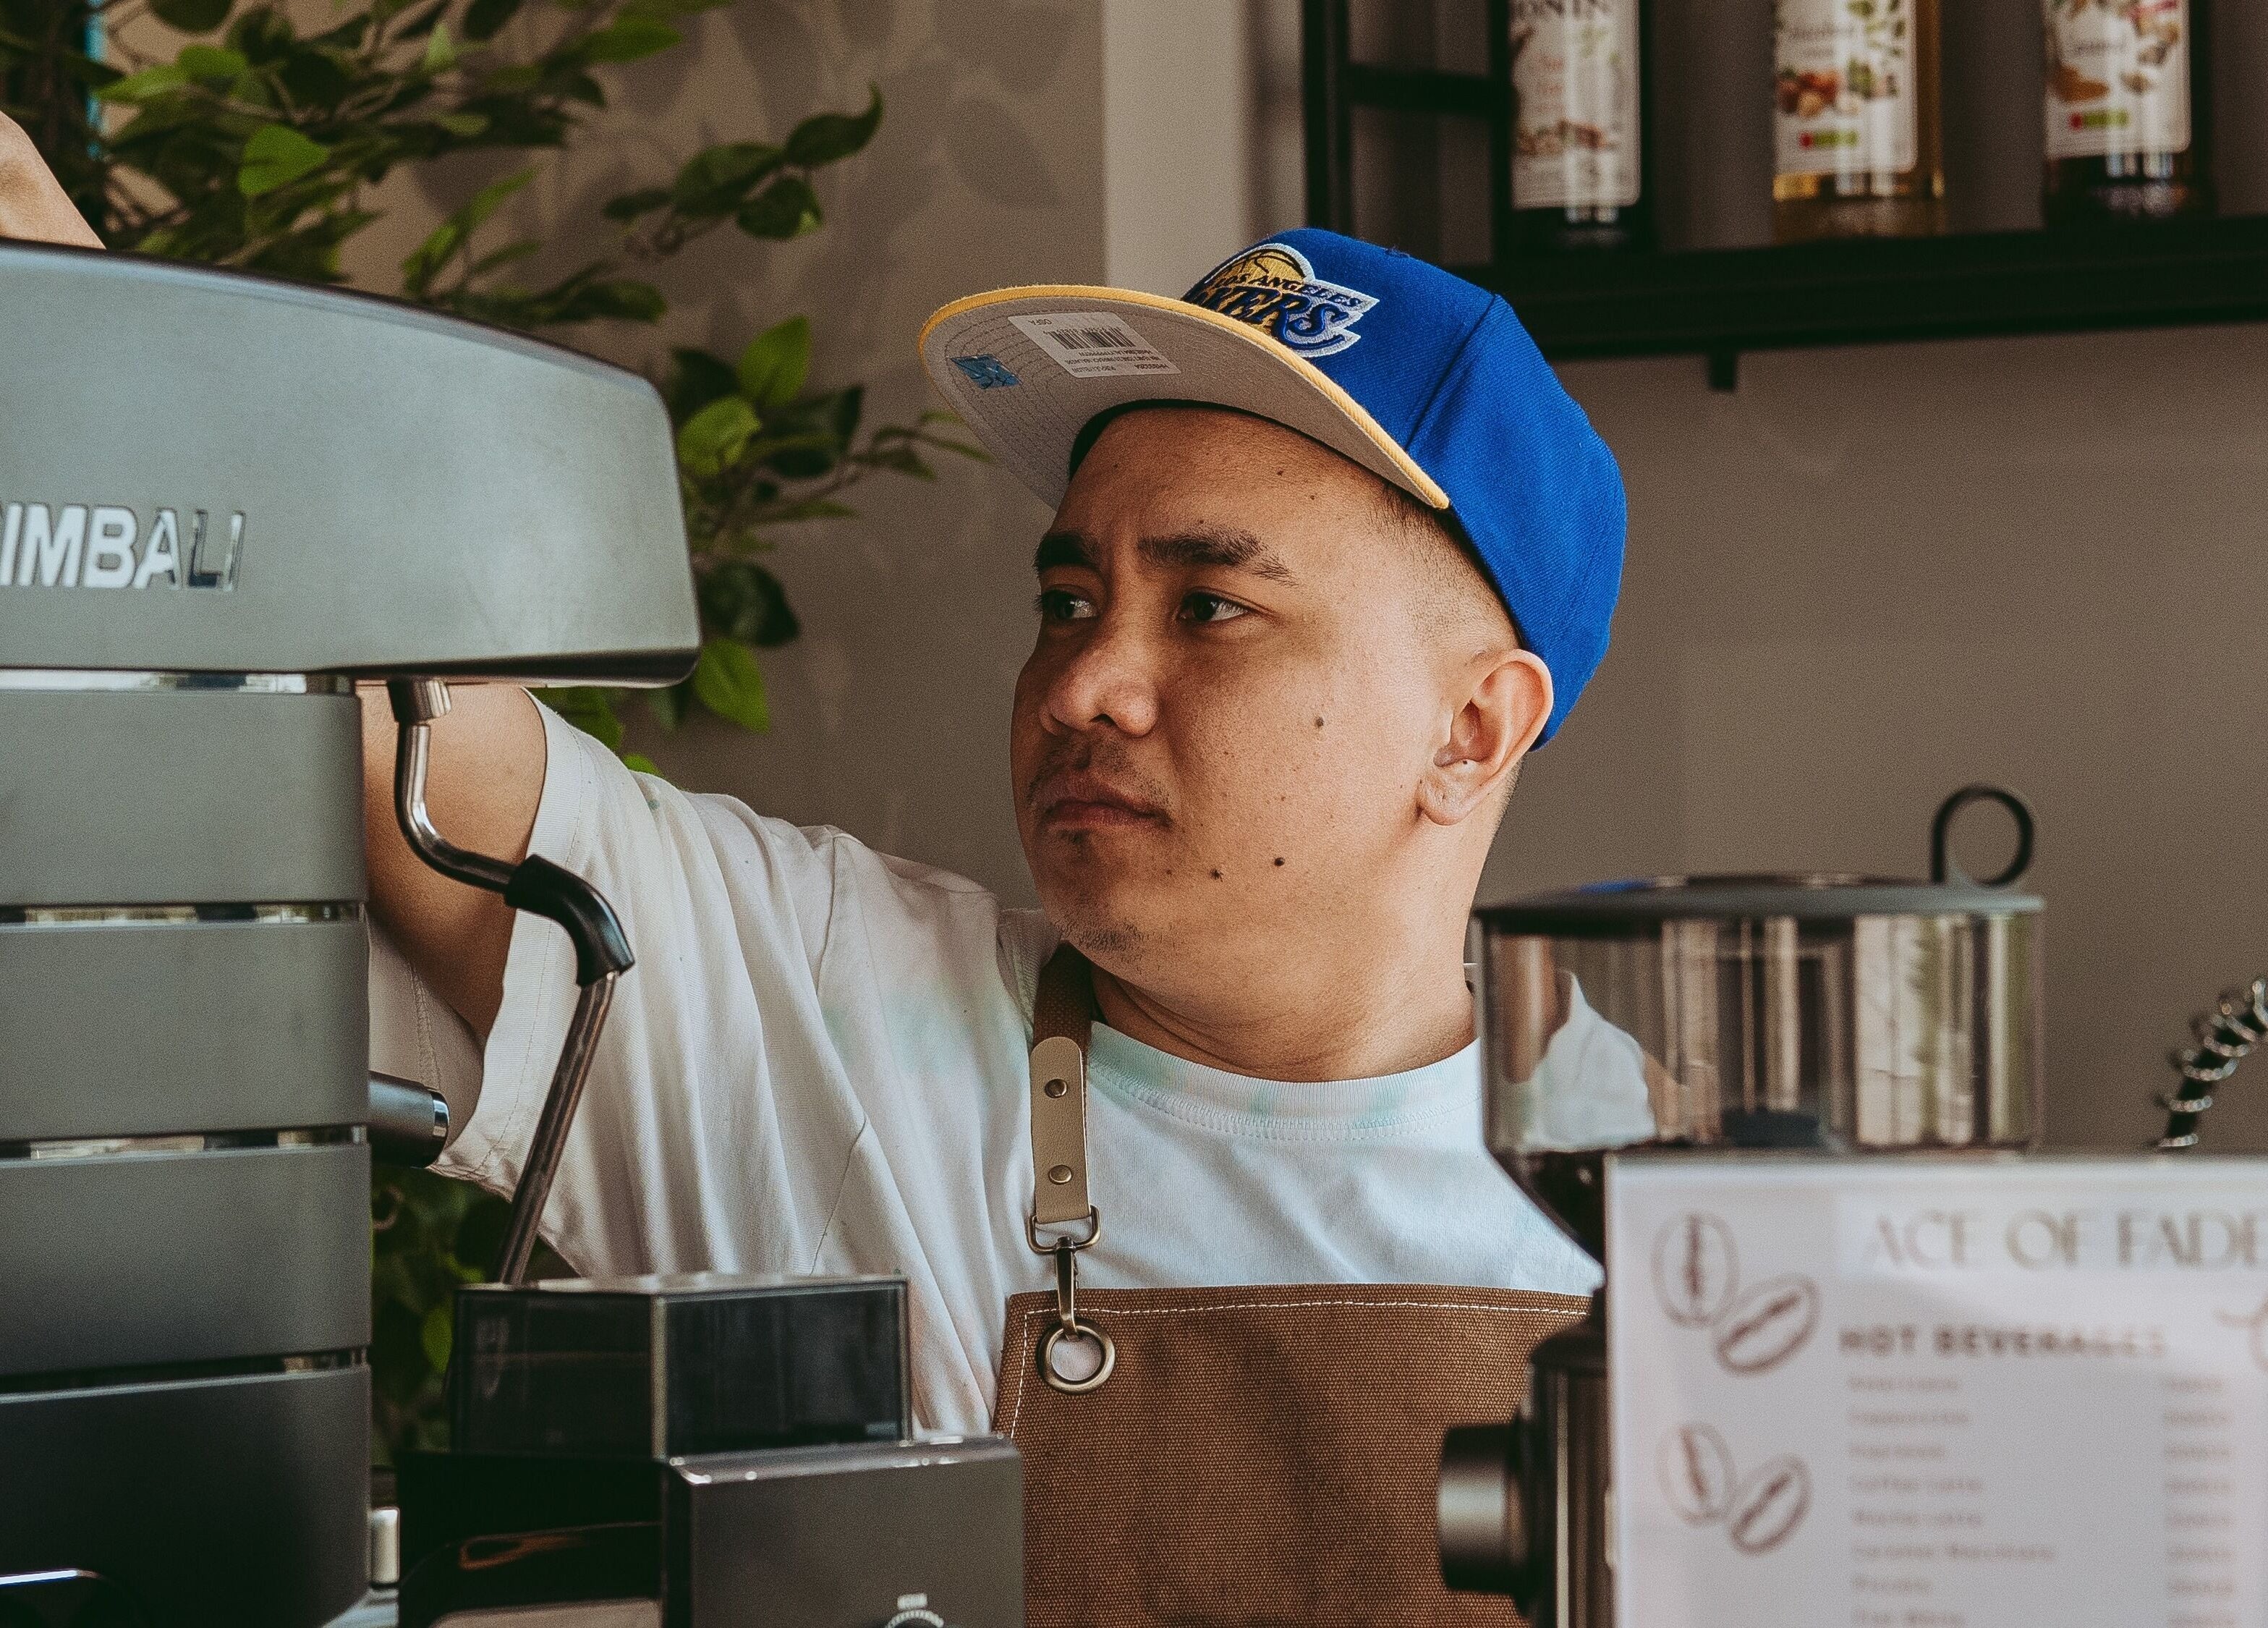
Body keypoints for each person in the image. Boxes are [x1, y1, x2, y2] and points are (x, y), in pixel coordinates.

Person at [0, 112, 1633, 1625]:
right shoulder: (816, 1001)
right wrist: (49, 276)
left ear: (1471, 732)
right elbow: (349, 691)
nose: (1080, 685)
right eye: (1067, 601)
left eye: (1207, 608)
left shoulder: (1673, 1206)